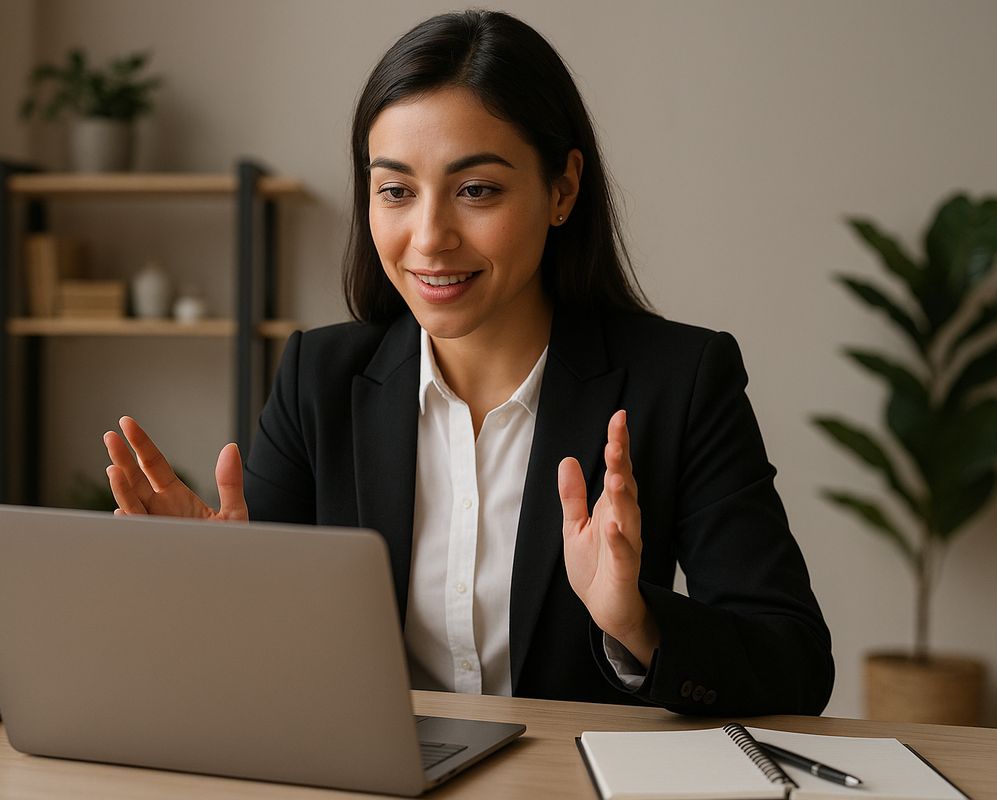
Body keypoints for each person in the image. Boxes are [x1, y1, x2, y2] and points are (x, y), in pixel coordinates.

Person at [103, 9, 833, 716]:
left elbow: (796, 663)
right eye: (395, 191)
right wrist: (213, 595)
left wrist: (636, 622)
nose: (429, 238)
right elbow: (268, 680)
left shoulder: (680, 379)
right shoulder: (316, 379)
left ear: (562, 189)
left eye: (476, 190)